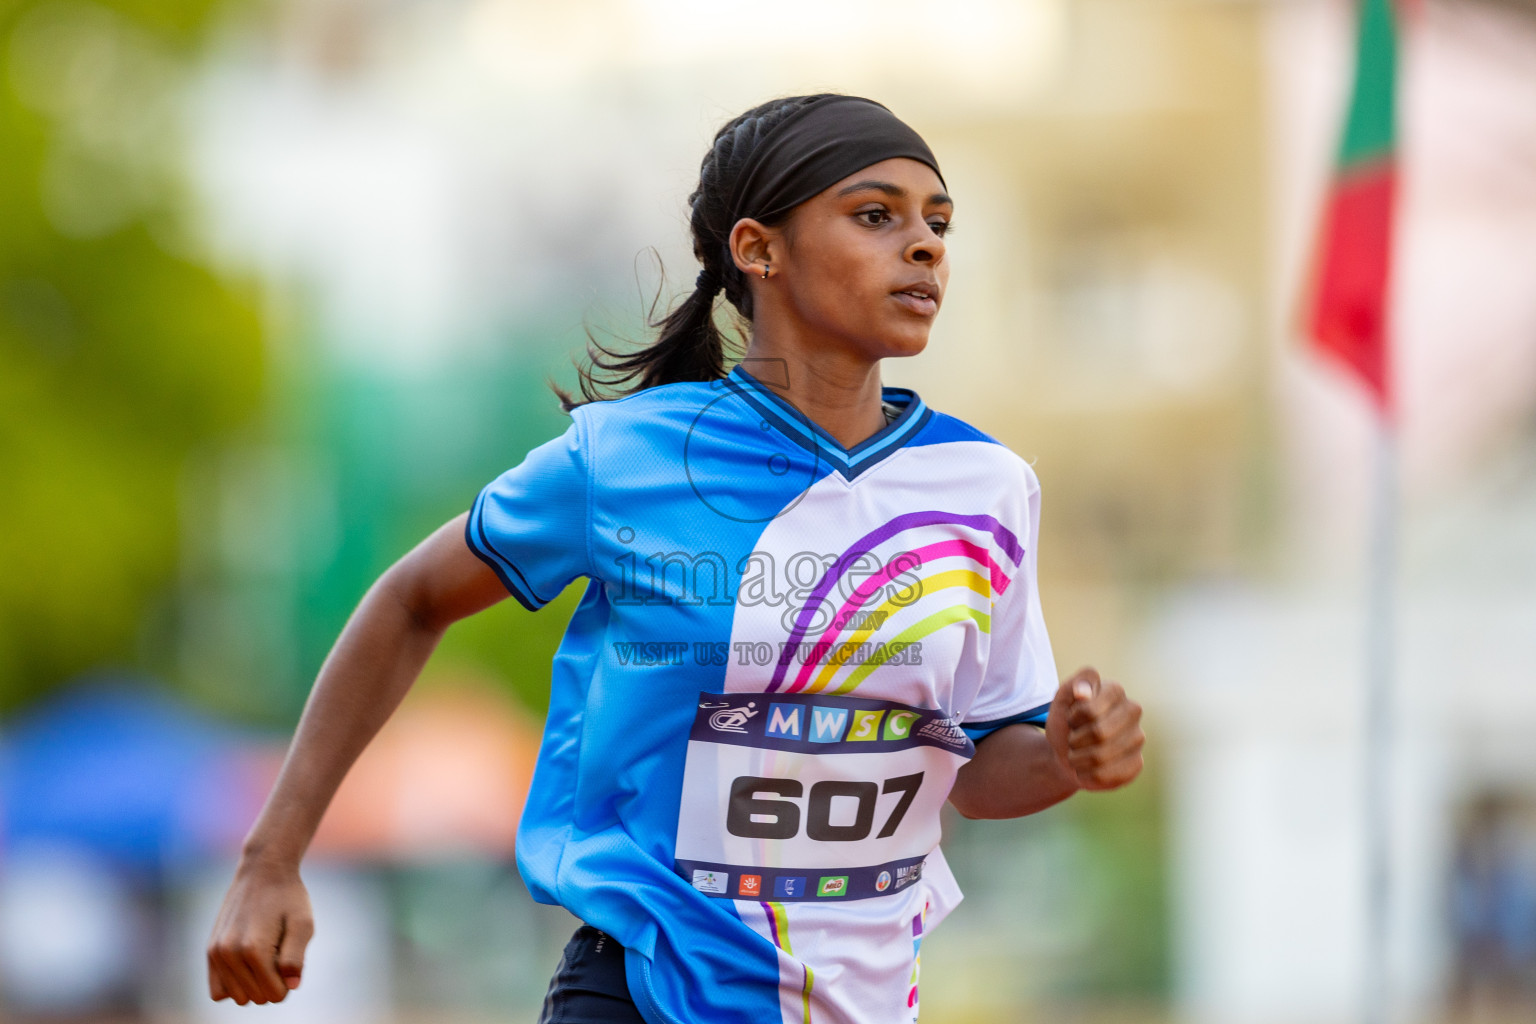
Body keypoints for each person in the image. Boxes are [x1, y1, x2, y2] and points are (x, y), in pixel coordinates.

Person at [206, 93, 1146, 1024]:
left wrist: (1064, 754)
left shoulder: (984, 486)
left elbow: (981, 774)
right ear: (757, 249)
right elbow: (413, 600)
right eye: (875, 216)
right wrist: (271, 859)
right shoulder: (623, 458)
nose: (927, 245)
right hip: (644, 996)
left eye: (939, 223)